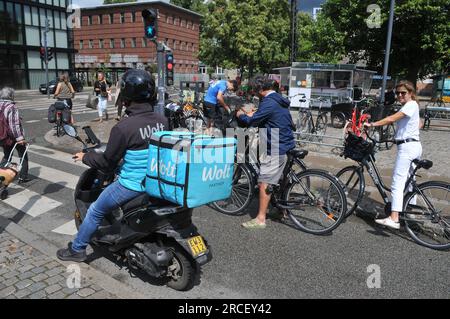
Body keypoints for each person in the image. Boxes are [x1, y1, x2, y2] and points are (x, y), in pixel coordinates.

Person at [56, 69, 169, 262]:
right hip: (156, 179)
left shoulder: (123, 127)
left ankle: (77, 249)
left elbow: (107, 162)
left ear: (126, 95)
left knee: (95, 210)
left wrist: (85, 157)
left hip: (132, 185)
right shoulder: (162, 121)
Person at [236, 76, 295, 229]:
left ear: (261, 90)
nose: (255, 93)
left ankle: (260, 219)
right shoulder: (277, 99)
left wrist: (241, 115)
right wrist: (257, 113)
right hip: (285, 141)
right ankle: (281, 210)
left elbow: (252, 121)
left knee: (264, 182)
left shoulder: (268, 102)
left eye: (255, 90)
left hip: (276, 145)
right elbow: (267, 116)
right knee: (280, 180)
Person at [364, 80, 422, 230]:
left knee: (397, 183)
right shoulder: (412, 106)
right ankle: (410, 213)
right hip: (413, 145)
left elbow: (391, 119)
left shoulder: (410, 105)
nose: (400, 95)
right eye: (398, 93)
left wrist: (372, 124)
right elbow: (419, 123)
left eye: (403, 92)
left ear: (411, 93)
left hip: (407, 148)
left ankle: (394, 218)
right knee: (410, 182)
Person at [0, 87, 29, 183]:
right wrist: (20, 138)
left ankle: (1, 176)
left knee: (7, 155)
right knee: (23, 154)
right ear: (11, 96)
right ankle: (23, 176)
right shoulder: (12, 107)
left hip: (2, 136)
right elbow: (14, 125)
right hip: (12, 137)